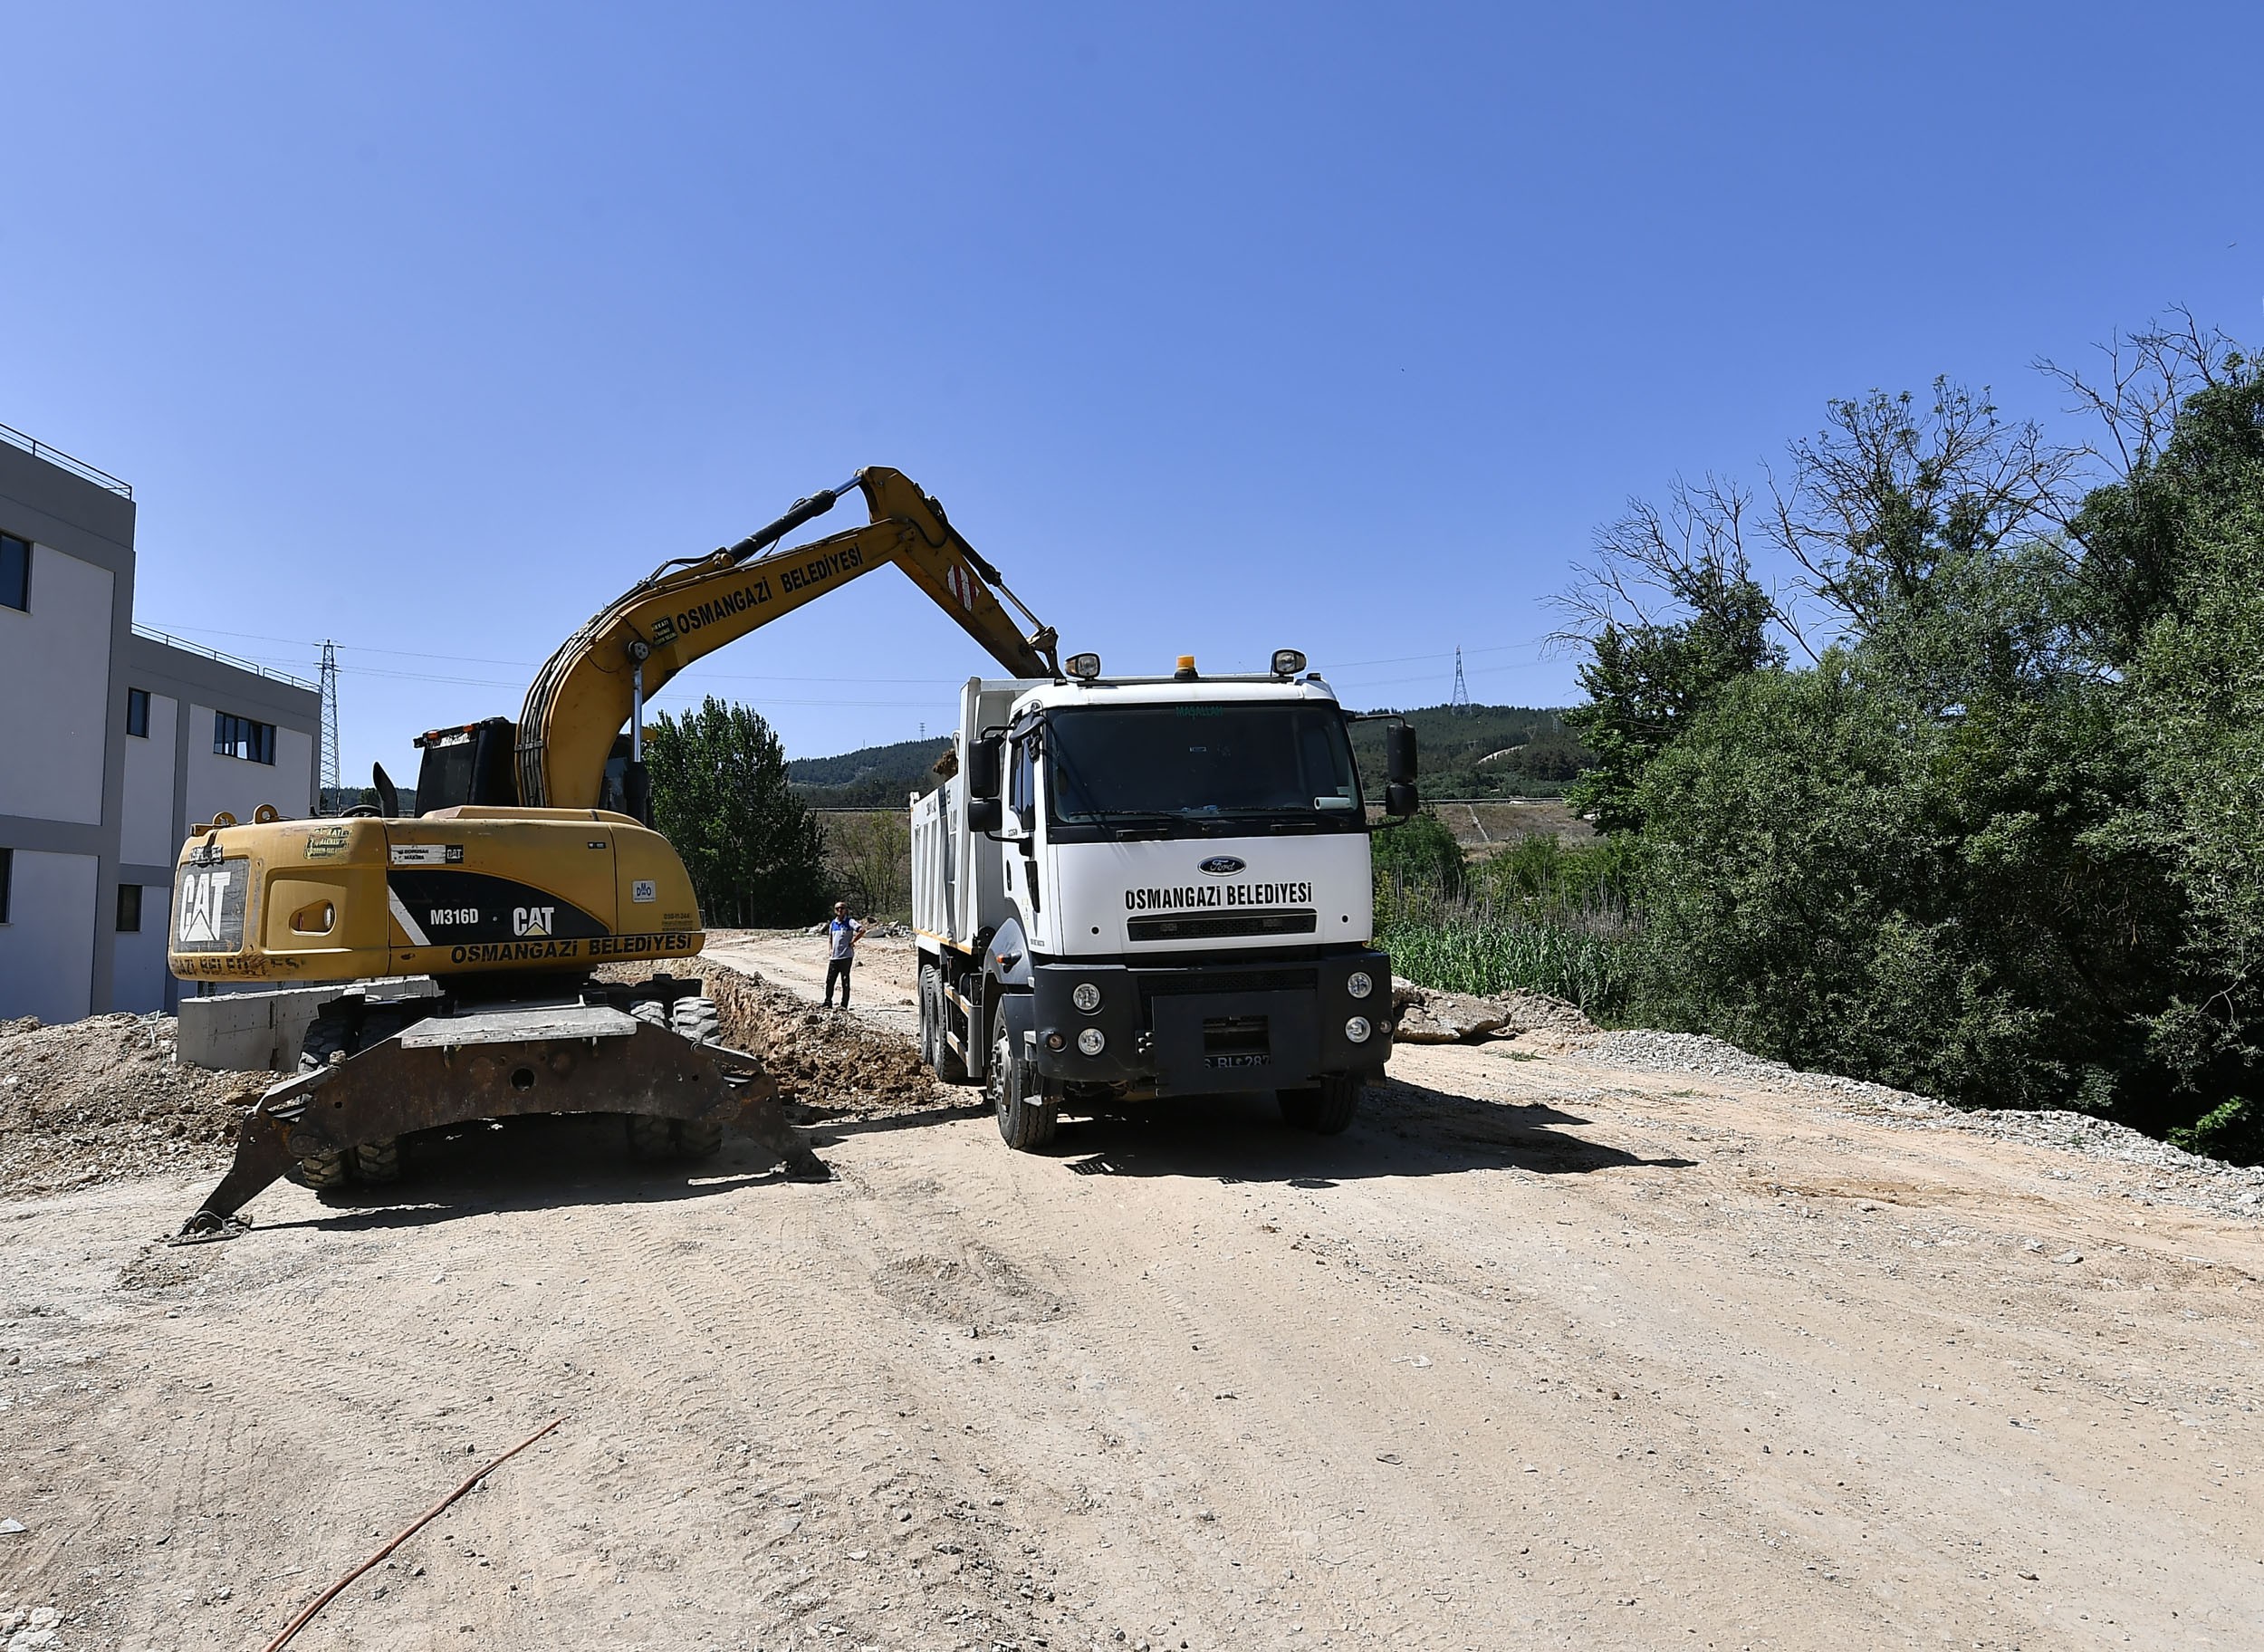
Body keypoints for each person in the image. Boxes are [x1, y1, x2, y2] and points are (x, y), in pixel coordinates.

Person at [823, 900, 867, 1009]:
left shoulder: (850, 922)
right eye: (837, 908)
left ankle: (844, 1004)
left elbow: (861, 930)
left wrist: (853, 941)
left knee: (845, 980)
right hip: (835, 957)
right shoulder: (833, 923)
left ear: (845, 910)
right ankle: (828, 1001)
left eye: (842, 908)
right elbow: (830, 938)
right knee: (830, 980)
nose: (839, 910)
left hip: (846, 956)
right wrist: (830, 950)